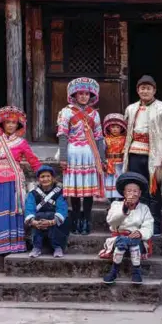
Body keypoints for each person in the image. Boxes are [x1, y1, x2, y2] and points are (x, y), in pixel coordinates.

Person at [0, 106, 41, 254]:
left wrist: (45, 174)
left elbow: (33, 161)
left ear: (18, 125)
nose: (11, 125)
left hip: (14, 182)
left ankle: (13, 245)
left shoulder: (21, 143)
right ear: (2, 124)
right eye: (8, 122)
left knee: (13, 212)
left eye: (14, 123)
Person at [123, 75, 162, 236]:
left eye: (148, 88)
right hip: (134, 154)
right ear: (137, 90)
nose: (145, 91)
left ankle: (155, 226)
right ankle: (137, 224)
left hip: (154, 156)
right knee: (135, 189)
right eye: (142, 88)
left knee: (153, 192)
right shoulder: (131, 109)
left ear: (154, 90)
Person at [57, 77, 106, 236]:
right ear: (75, 95)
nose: (84, 96)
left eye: (86, 93)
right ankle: (76, 218)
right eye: (80, 93)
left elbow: (99, 137)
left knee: (88, 190)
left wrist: (102, 158)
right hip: (73, 153)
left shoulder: (95, 114)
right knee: (76, 190)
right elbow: (63, 135)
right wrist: (63, 157)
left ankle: (87, 219)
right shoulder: (66, 112)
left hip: (90, 154)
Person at [102, 172, 154, 285]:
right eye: (129, 191)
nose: (132, 194)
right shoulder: (116, 205)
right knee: (122, 242)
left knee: (134, 243)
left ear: (140, 193)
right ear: (124, 193)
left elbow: (149, 226)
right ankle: (116, 270)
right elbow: (111, 221)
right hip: (119, 239)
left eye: (135, 191)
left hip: (137, 240)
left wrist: (140, 233)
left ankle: (134, 272)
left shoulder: (144, 208)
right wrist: (125, 208)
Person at [24, 165, 69, 258]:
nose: (45, 179)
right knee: (38, 216)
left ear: (52, 178)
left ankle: (57, 246)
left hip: (54, 220)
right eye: (42, 177)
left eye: (48, 176)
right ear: (38, 179)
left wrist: (51, 222)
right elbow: (29, 208)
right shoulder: (33, 193)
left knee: (55, 217)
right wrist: (34, 222)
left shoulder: (59, 193)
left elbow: (62, 208)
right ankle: (36, 247)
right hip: (39, 220)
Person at [103, 113, 127, 203]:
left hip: (120, 164)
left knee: (119, 180)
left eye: (117, 127)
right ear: (109, 128)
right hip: (109, 164)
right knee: (109, 181)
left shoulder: (125, 139)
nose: (115, 129)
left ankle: (120, 199)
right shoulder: (105, 139)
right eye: (112, 127)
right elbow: (102, 151)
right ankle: (111, 201)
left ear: (121, 128)